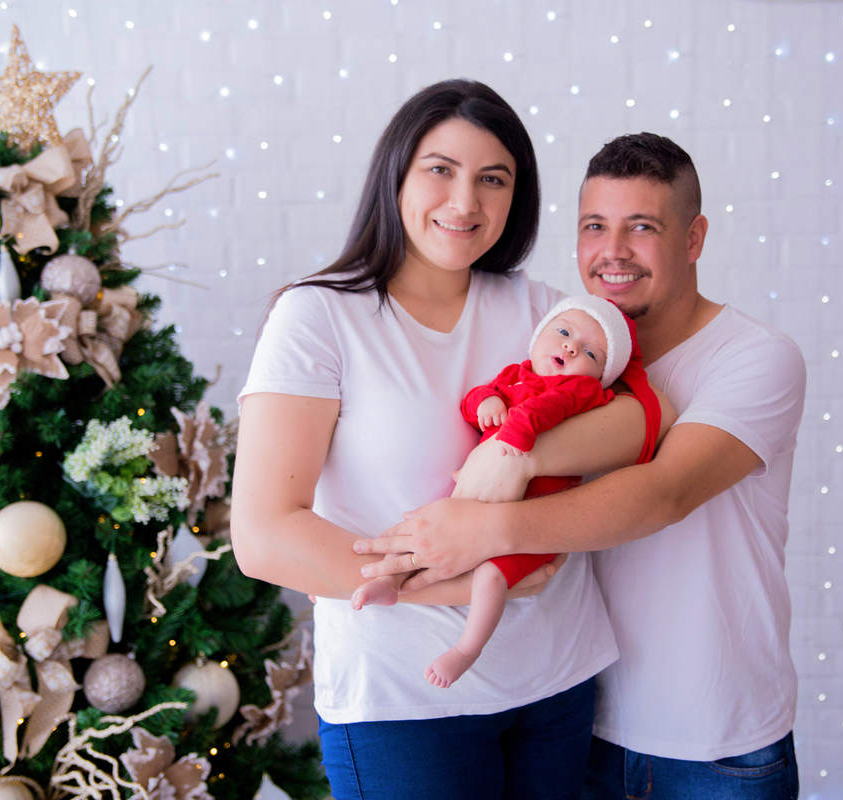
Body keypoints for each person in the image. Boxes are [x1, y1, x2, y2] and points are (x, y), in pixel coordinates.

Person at [232, 82, 670, 800]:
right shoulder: (318, 318)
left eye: (493, 179)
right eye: (441, 170)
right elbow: (264, 537)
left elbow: (644, 418)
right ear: (396, 174)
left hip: (556, 685)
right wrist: (456, 581)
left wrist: (517, 455)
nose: (465, 202)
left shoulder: (543, 311)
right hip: (404, 706)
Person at [356, 132, 807, 800]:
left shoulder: (756, 357)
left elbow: (664, 493)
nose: (612, 251)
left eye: (642, 227)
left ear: (694, 238)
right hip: (579, 723)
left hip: (717, 744)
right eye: (595, 226)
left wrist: (486, 522)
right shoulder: (567, 346)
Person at [352, 296, 662, 690]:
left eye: (590, 353)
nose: (570, 347)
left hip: (531, 520)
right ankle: (390, 581)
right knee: (427, 527)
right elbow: (473, 400)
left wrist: (515, 430)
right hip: (478, 500)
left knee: (490, 577)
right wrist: (487, 401)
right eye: (563, 332)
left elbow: (550, 408)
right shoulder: (516, 374)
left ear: (601, 375)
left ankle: (467, 648)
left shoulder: (585, 391)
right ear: (538, 337)